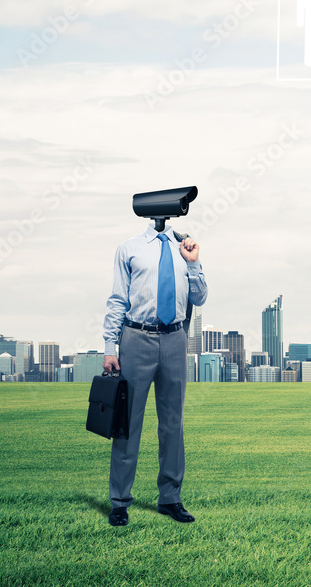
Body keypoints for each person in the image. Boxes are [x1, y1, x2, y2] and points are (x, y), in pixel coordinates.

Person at [101, 223, 208, 527]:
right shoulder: (129, 248)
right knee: (127, 423)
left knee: (173, 423)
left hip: (175, 339)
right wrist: (111, 347)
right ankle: (120, 502)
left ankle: (170, 498)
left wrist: (194, 263)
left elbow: (199, 299)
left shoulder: (185, 248)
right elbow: (118, 299)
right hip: (136, 338)